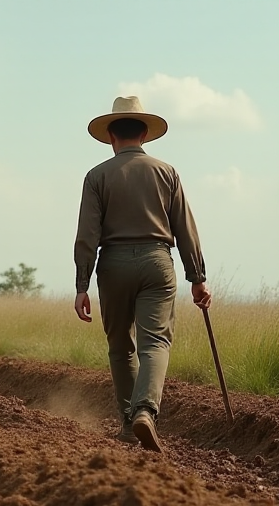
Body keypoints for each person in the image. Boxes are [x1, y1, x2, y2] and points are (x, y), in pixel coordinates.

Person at [73, 96, 212, 453]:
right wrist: (197, 277)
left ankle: (126, 422)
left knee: (120, 346)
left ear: (111, 137)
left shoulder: (96, 176)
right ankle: (146, 412)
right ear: (145, 134)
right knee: (155, 344)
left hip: (113, 266)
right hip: (157, 263)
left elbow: (87, 235)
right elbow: (185, 228)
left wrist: (82, 285)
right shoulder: (167, 172)